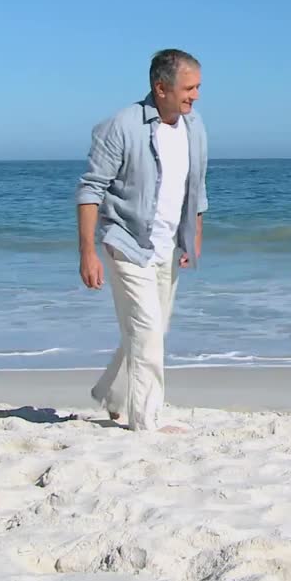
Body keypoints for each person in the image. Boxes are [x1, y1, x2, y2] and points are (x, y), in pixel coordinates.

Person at [74, 49, 208, 433]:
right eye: (189, 88)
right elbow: (90, 191)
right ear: (160, 87)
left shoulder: (194, 125)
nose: (195, 96)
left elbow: (195, 184)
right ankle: (146, 420)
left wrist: (192, 234)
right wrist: (87, 253)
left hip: (166, 244)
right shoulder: (120, 127)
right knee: (148, 329)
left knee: (151, 329)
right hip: (127, 241)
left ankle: (111, 394)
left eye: (198, 87)